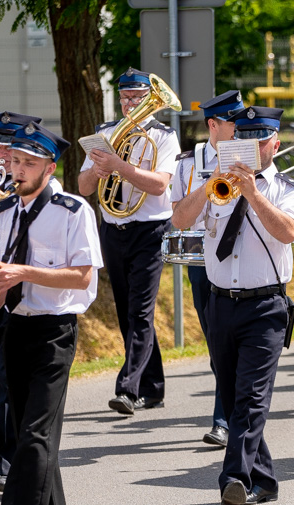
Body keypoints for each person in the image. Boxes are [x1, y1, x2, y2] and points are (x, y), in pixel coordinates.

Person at [171, 106, 294, 505]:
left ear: (274, 144)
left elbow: (289, 233)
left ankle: (233, 479)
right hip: (220, 303)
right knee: (231, 397)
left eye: (261, 140)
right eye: (245, 140)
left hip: (266, 306)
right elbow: (179, 220)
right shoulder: (216, 182)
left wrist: (253, 194)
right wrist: (210, 182)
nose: (252, 148)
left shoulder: (286, 188)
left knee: (250, 398)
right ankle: (263, 480)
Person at [0, 122, 103, 505]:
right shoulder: (0, 212)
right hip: (14, 328)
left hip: (55, 331)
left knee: (33, 438)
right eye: (14, 161)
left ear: (50, 167)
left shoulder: (73, 211)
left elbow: (82, 277)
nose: (17, 169)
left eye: (28, 163)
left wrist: (23, 273)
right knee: (29, 437)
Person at [77, 68, 181, 416]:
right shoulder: (104, 134)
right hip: (113, 228)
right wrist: (98, 169)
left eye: (137, 98)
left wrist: (119, 165)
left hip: (150, 231)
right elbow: (84, 187)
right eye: (126, 98)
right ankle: (152, 387)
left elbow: (159, 185)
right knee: (128, 311)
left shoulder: (165, 136)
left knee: (140, 310)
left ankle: (127, 388)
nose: (130, 104)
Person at [170, 90, 245, 447]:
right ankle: (231, 409)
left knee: (234, 342)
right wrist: (211, 178)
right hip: (204, 259)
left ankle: (225, 419)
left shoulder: (252, 154)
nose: (241, 126)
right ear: (214, 125)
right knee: (216, 340)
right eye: (234, 121)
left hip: (246, 256)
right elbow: (179, 215)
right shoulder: (189, 161)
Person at [0, 111, 44, 491]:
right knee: (2, 382)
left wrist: (0, 198)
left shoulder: (20, 185)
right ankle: (5, 464)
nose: (4, 154)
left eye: (10, 147)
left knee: (17, 386)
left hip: (30, 295)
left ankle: (17, 463)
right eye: (1, 146)